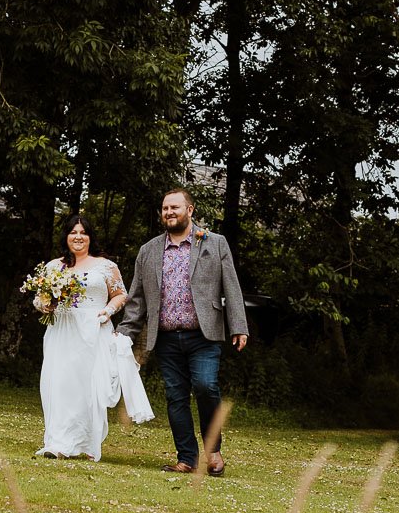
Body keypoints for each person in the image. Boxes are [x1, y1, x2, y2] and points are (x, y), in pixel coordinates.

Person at [117, 187, 249, 476]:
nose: (169, 213)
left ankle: (213, 451)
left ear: (190, 210)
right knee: (176, 396)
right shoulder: (149, 250)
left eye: (175, 207)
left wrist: (239, 325)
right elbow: (137, 299)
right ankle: (186, 458)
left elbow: (231, 285)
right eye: (165, 208)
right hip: (165, 337)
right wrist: (124, 333)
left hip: (204, 334)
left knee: (205, 386)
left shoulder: (214, 243)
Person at [34, 215, 134, 460]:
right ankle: (57, 443)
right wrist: (44, 306)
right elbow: (39, 298)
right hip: (62, 330)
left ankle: (87, 442)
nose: (78, 237)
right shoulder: (53, 267)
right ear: (66, 236)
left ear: (90, 237)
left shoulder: (105, 266)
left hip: (92, 330)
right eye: (72, 232)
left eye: (83, 232)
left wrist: (107, 311)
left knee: (86, 387)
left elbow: (121, 295)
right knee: (58, 382)